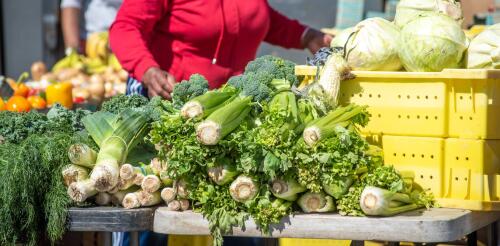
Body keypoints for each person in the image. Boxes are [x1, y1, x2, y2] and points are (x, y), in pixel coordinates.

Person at [109, 0, 332, 98]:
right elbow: (126, 27)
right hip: (169, 97)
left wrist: (306, 36)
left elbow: (257, 18)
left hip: (228, 103)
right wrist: (147, 70)